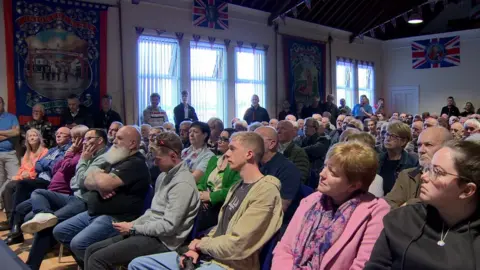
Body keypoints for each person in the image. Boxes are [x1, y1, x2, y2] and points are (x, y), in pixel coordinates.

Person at [128, 132, 283, 270]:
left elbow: (238, 244)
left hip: (232, 264)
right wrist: (196, 248)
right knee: (138, 264)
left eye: (233, 149)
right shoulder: (237, 186)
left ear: (249, 154)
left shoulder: (266, 191)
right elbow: (221, 228)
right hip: (211, 255)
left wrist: (201, 245)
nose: (226, 154)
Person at [84, 132, 200, 269]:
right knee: (90, 251)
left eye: (158, 159)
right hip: (150, 232)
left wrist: (134, 229)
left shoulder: (182, 184)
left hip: (164, 241)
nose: (155, 163)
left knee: (97, 259)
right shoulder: (164, 176)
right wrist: (132, 224)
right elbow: (153, 211)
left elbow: (169, 227)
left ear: (173, 156)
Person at [272, 141, 390, 269]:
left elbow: (362, 265)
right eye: (325, 167)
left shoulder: (375, 211)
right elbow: (285, 248)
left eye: (333, 173)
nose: (322, 174)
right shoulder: (311, 200)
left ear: (354, 185)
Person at [365, 140, 480, 270]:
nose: (424, 176)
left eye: (437, 171)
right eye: (428, 168)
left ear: (466, 190)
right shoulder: (402, 219)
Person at [52, 126, 150, 267]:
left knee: (79, 244)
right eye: (115, 137)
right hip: (97, 212)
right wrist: (99, 182)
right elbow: (86, 180)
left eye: (120, 138)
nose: (114, 141)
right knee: (60, 231)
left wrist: (99, 180)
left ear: (133, 143)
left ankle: (96, 264)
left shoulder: (135, 163)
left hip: (116, 218)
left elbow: (101, 182)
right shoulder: (117, 158)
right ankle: (90, 264)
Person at [15, 127, 107, 269]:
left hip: (82, 201)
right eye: (83, 139)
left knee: (47, 226)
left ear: (100, 141)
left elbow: (81, 180)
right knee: (38, 193)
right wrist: (71, 154)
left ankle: (31, 266)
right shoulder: (84, 153)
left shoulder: (101, 158)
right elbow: (57, 169)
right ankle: (43, 214)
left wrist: (81, 159)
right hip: (71, 196)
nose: (83, 142)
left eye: (87, 139)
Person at [0, 127, 71, 232]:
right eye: (57, 134)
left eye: (62, 134)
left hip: (45, 181)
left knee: (19, 185)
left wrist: (43, 165)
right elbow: (38, 165)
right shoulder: (52, 150)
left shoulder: (64, 150)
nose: (58, 135)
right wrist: (43, 165)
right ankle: (13, 222)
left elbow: (54, 167)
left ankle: (14, 224)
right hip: (37, 178)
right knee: (9, 188)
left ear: (69, 137)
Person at [384, 126, 452, 209]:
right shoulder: (407, 175)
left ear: (446, 148)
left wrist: (410, 203)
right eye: (419, 145)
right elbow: (387, 206)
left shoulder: (451, 177)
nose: (421, 150)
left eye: (428, 145)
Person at [196, 128, 240, 232]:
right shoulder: (214, 159)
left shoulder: (237, 164)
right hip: (203, 201)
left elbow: (233, 189)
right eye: (219, 138)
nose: (219, 141)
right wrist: (202, 195)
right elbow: (202, 182)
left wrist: (210, 197)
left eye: (224, 139)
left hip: (220, 206)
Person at [256, 126, 301, 224]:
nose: (250, 144)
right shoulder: (255, 165)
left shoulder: (288, 169)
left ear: (271, 144)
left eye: (256, 139)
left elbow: (279, 210)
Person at [378, 121, 418, 194]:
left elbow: (411, 191)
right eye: (387, 134)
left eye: (393, 136)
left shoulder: (413, 162)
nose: (388, 138)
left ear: (403, 141)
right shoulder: (377, 159)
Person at [0, 97, 20, 207]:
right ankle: (3, 204)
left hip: (10, 152)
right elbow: (12, 132)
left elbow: (16, 132)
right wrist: (8, 133)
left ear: (3, 104)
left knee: (15, 177)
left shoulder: (11, 117)